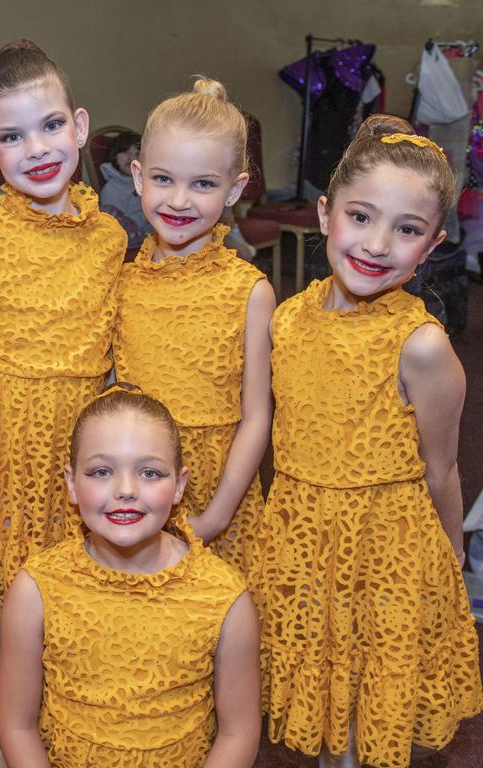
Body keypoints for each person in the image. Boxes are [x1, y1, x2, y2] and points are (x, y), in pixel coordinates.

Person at [252, 114, 483, 768]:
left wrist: (447, 586)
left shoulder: (424, 347)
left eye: (406, 229)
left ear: (433, 244)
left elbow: (443, 475)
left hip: (385, 553)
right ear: (325, 214)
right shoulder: (289, 319)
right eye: (361, 216)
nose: (377, 244)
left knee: (362, 717)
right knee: (327, 711)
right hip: (302, 543)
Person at [0, 39, 126, 735]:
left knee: (83, 606)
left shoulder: (111, 239)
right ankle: (12, 746)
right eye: (11, 136)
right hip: (6, 452)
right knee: (4, 614)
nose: (36, 148)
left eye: (48, 127)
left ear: (78, 126)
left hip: (85, 450)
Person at [0, 385, 261, 767]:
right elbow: (17, 726)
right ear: (71, 484)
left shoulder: (224, 598)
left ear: (179, 487)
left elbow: (239, 734)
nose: (125, 490)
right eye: (102, 471)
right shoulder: (35, 590)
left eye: (150, 473)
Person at [112, 78, 273, 579]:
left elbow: (255, 417)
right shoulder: (120, 280)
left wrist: (217, 515)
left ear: (235, 189)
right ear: (138, 177)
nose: (179, 200)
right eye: (164, 179)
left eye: (203, 184)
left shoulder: (250, 292)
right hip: (134, 488)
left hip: (217, 493)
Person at [97, 130, 151, 249]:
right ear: (114, 155)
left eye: (137, 154)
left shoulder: (149, 181)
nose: (130, 158)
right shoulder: (111, 190)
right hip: (132, 244)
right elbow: (119, 229)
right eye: (125, 152)